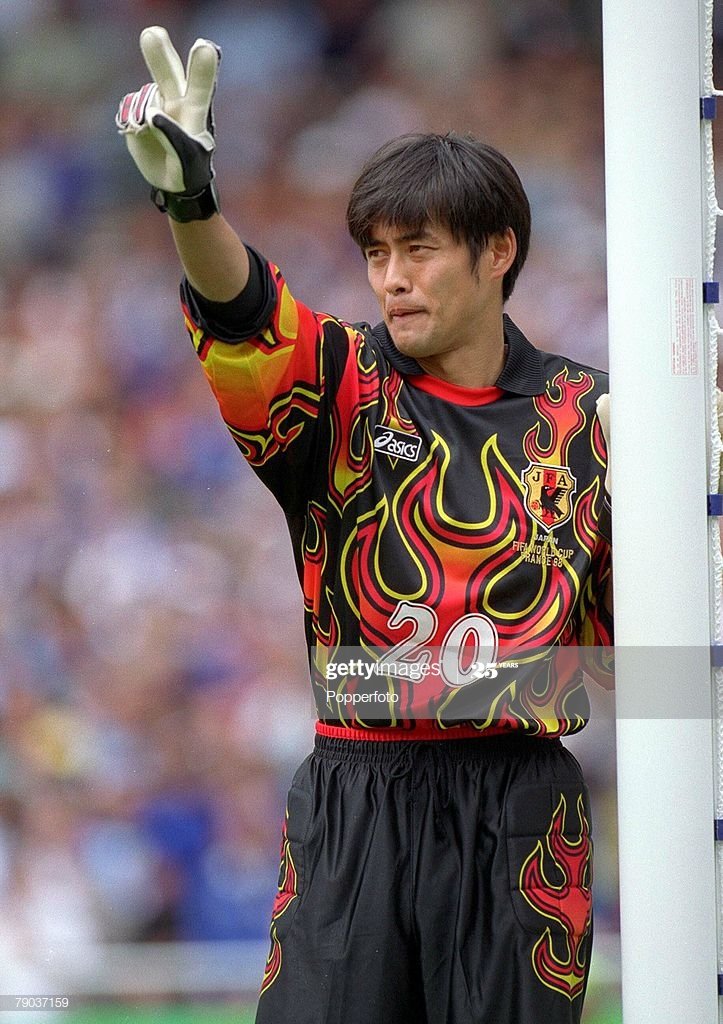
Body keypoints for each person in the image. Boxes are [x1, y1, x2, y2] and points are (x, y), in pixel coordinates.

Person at [117, 26, 613, 1024]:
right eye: (377, 252)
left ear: (498, 251)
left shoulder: (594, 423)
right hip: (357, 793)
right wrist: (191, 203)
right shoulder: (343, 383)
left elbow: (626, 660)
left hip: (522, 813)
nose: (391, 277)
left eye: (419, 250)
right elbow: (245, 309)